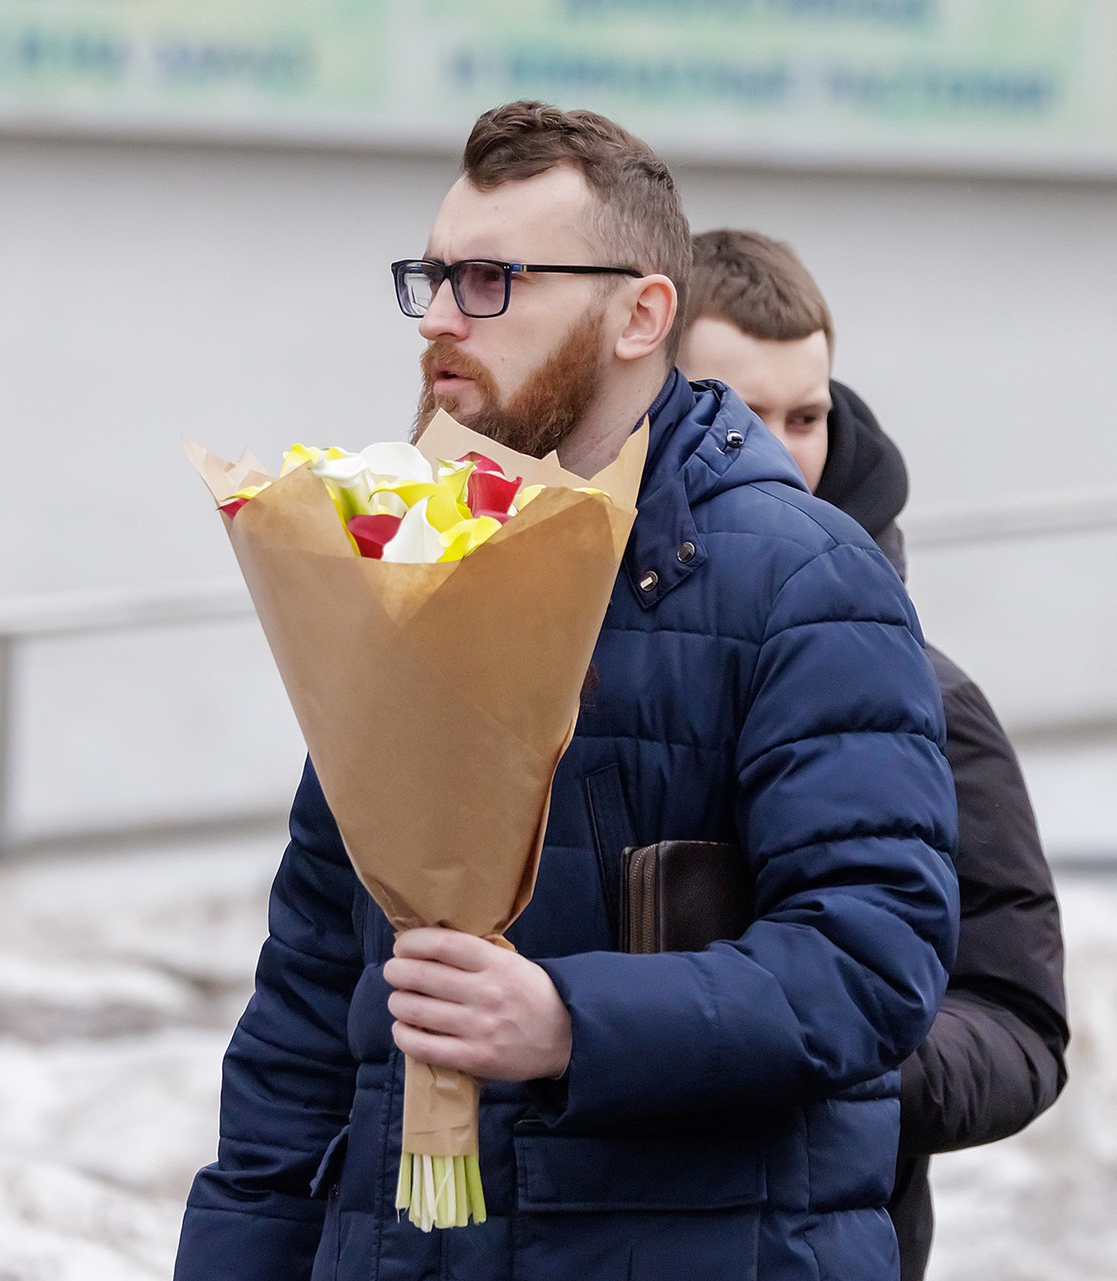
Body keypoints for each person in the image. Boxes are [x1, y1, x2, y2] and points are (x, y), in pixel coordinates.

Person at [178, 101, 959, 1281]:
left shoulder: (805, 578)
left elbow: (872, 960)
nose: (441, 319)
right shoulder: (399, 561)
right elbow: (303, 1014)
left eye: (492, 279)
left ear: (643, 313)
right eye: (432, 277)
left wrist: (569, 1024)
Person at [678, 228, 1071, 1281]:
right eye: (738, 412)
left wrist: (838, 1060)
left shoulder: (932, 697)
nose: (778, 447)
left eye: (805, 416)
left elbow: (1020, 1023)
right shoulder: (564, 652)